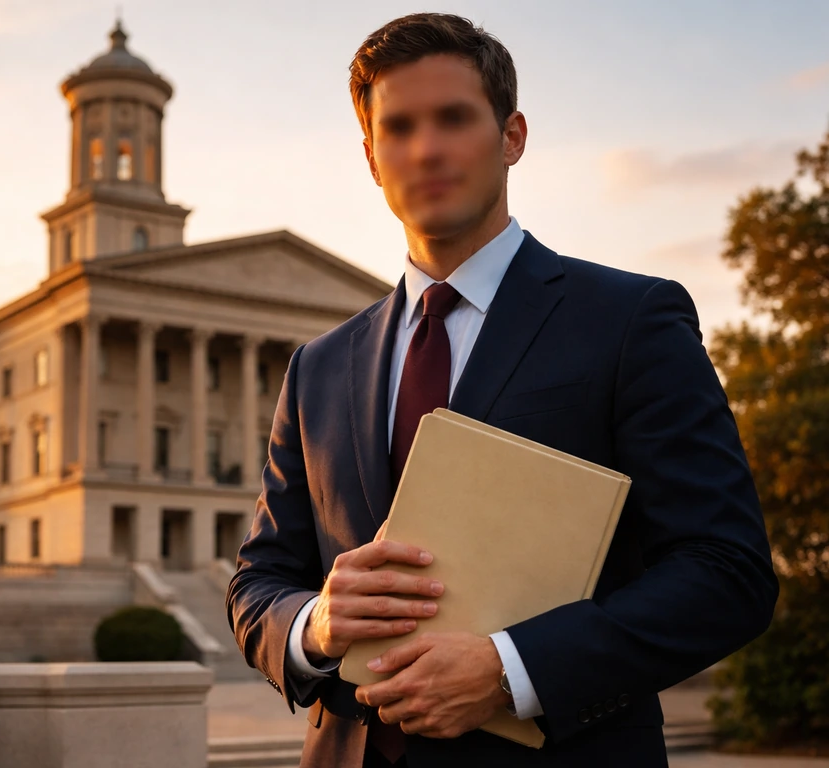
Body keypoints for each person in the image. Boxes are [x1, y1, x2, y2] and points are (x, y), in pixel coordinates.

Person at [226, 12, 778, 768]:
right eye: (400, 128)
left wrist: (514, 670)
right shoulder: (317, 366)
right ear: (371, 157)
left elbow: (727, 571)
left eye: (454, 118)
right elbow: (260, 581)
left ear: (512, 136)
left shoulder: (629, 320)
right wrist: (315, 624)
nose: (427, 149)